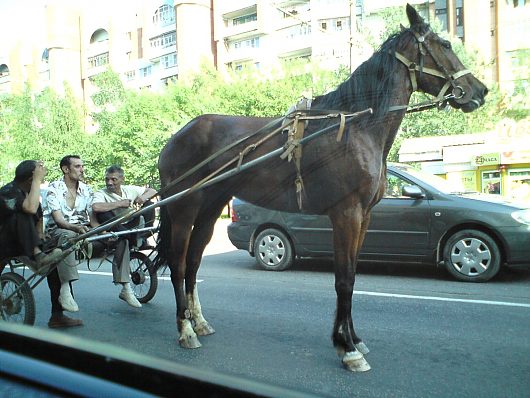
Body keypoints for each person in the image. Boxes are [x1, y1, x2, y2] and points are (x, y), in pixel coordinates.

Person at [0, 160, 83, 328]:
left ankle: (57, 315)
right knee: (22, 214)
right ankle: (39, 256)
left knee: (55, 265)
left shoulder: (29, 192)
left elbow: (38, 215)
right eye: (39, 177)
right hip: (5, 242)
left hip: (22, 243)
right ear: (30, 178)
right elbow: (30, 209)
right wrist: (38, 180)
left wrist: (40, 233)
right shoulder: (8, 191)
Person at [91, 165, 156, 308]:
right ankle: (131, 238)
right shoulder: (101, 193)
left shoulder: (129, 189)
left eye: (114, 179)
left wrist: (142, 197)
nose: (109, 183)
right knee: (103, 213)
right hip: (115, 227)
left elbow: (152, 190)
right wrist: (119, 203)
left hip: (131, 224)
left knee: (149, 203)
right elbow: (96, 207)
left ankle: (143, 234)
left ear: (122, 179)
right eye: (107, 179)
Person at [45, 155, 94, 314]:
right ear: (66, 169)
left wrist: (105, 231)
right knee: (67, 236)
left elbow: (93, 219)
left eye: (82, 166)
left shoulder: (87, 189)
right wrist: (76, 229)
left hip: (81, 229)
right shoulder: (54, 188)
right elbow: (59, 221)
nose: (82, 169)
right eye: (78, 166)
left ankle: (125, 285)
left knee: (120, 237)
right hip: (57, 231)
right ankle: (65, 290)